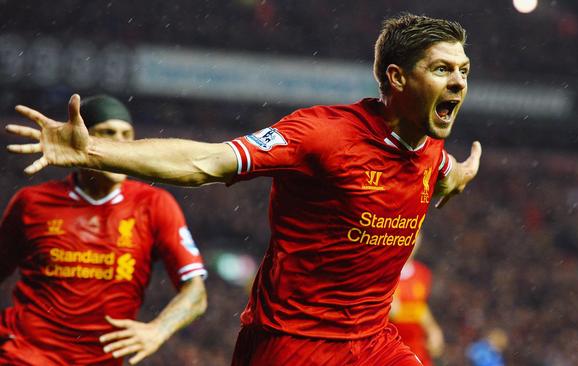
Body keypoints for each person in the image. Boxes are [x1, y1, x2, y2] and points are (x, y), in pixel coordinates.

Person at [7, 13, 481, 366]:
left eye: (463, 69)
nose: (459, 81)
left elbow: (442, 174)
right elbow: (206, 162)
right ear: (398, 78)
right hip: (292, 344)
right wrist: (92, 152)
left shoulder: (430, 151)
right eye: (442, 69)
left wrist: (456, 178)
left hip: (375, 343)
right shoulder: (322, 134)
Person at [0, 95, 208, 365]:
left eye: (127, 134)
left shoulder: (154, 205)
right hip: (25, 355)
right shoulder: (32, 203)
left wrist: (158, 330)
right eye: (108, 133)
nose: (120, 143)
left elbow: (196, 293)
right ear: (81, 139)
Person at [390, 236, 444, 366]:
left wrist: (433, 329)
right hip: (391, 347)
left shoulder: (423, 273)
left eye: (417, 237)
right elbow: (391, 312)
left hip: (418, 350)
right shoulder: (386, 271)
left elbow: (422, 308)